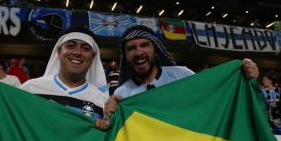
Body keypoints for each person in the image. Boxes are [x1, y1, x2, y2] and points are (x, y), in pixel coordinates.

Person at [104, 25, 259, 119]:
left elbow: (214, 98)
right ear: (125, 57)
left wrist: (243, 79)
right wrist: (109, 118)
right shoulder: (122, 94)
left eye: (145, 45)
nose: (139, 52)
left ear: (155, 50)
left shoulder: (181, 75)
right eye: (131, 48)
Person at [0, 27, 109, 122]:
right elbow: (1, 122)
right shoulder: (31, 89)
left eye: (86, 48)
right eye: (70, 45)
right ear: (58, 52)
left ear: (92, 58)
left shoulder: (101, 101)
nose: (77, 52)